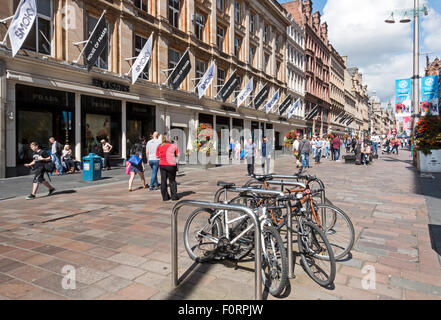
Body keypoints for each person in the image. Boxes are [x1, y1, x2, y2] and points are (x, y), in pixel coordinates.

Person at [156, 134, 179, 201]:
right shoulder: (173, 145)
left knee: (163, 181)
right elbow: (178, 155)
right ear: (169, 139)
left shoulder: (159, 146)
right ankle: (174, 197)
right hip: (171, 165)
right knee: (172, 180)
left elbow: (157, 156)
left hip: (162, 164)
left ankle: (165, 197)